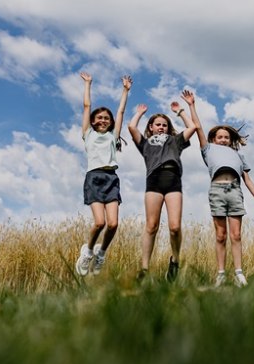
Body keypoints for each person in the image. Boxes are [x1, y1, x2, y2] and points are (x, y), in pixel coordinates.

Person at [183, 89, 254, 287]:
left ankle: (239, 273)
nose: (223, 139)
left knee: (236, 235)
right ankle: (221, 274)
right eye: (219, 137)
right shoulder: (208, 150)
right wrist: (191, 105)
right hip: (216, 190)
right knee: (221, 236)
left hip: (235, 191)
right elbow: (198, 129)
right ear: (214, 139)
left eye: (226, 137)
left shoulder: (238, 156)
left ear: (231, 140)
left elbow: (247, 179)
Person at [128, 93, 197, 282]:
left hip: (173, 180)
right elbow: (131, 127)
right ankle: (144, 268)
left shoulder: (175, 141)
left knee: (175, 227)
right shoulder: (145, 143)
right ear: (151, 127)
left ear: (168, 128)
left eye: (164, 125)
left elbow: (193, 127)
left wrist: (180, 111)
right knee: (151, 226)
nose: (161, 127)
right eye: (158, 124)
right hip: (154, 181)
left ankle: (175, 261)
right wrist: (140, 113)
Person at [75, 72, 131, 276]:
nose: (103, 120)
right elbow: (87, 106)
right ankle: (88, 251)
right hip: (94, 178)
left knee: (113, 224)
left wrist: (125, 91)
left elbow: (121, 111)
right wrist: (88, 84)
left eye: (106, 118)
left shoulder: (112, 136)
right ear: (92, 121)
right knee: (100, 223)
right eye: (99, 118)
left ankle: (101, 254)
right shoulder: (87, 134)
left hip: (111, 179)